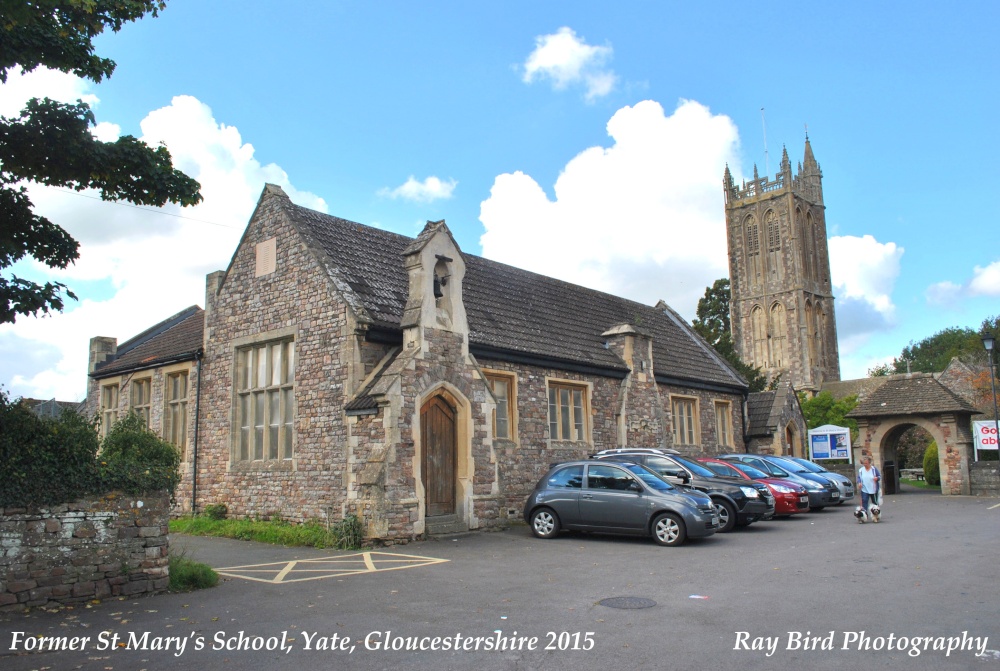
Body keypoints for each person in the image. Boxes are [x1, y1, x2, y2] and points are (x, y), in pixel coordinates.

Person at [856, 456, 881, 523]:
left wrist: (877, 478)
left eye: (866, 463)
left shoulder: (873, 469)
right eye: (864, 463)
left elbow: (879, 476)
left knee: (875, 503)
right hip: (864, 489)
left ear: (869, 463)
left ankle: (876, 516)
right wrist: (859, 483)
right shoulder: (861, 470)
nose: (865, 465)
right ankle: (863, 517)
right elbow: (859, 478)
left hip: (873, 489)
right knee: (864, 502)